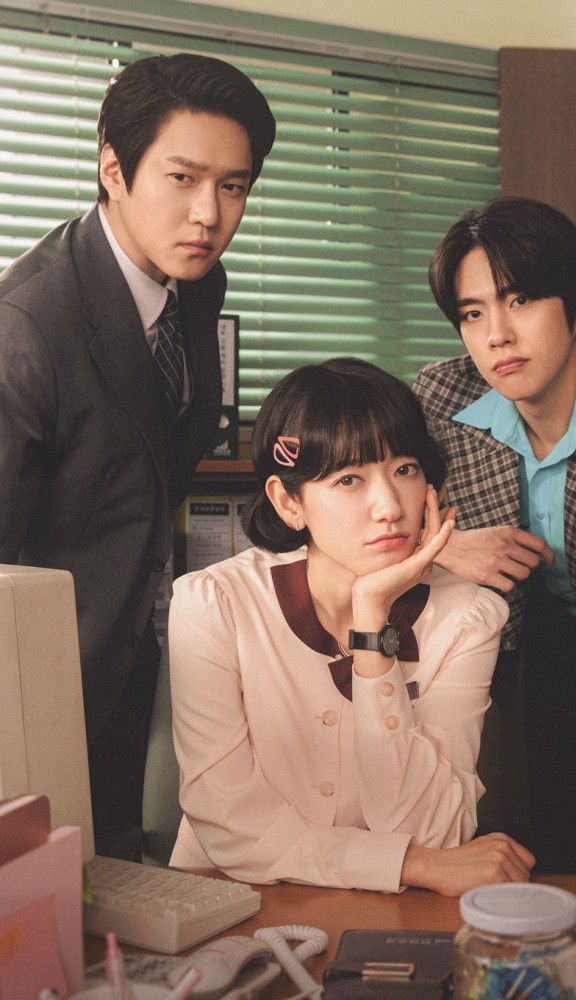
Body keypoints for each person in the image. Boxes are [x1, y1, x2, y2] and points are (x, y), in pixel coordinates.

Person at [0, 53, 275, 860]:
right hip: (44, 682)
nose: (209, 215)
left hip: (143, 652)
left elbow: (159, 457)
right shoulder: (27, 326)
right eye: (182, 178)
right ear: (113, 169)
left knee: (125, 883)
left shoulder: (198, 282)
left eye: (233, 186)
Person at [168, 358, 534, 894]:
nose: (389, 507)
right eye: (348, 479)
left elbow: (432, 829)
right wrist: (407, 865)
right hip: (230, 900)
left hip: (391, 911)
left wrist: (371, 622)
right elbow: (231, 825)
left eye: (405, 470)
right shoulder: (214, 604)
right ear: (289, 502)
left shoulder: (468, 617)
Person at [413, 196, 576, 874]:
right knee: (562, 853)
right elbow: (376, 509)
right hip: (541, 642)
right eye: (473, 314)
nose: (497, 335)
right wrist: (444, 546)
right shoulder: (442, 397)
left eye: (521, 300)